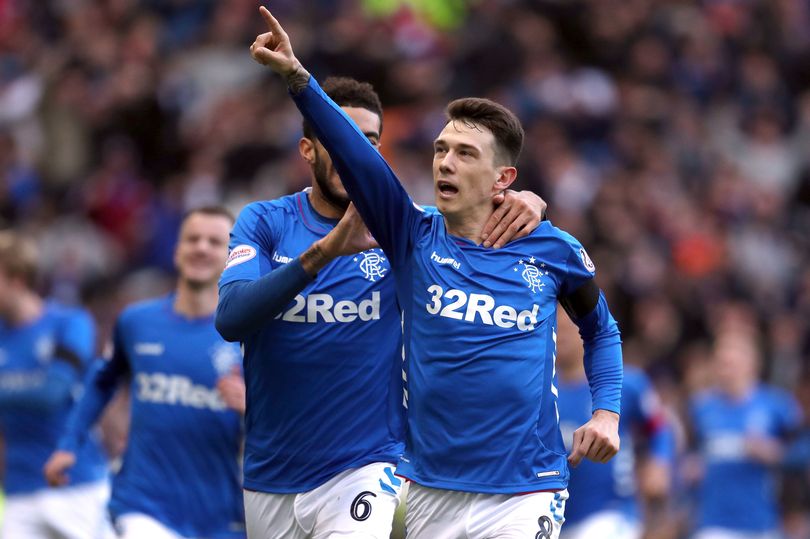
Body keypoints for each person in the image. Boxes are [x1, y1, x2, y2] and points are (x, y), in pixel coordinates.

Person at [248, 7, 623, 538]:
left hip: (526, 487)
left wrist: (606, 411)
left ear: (503, 178)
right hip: (428, 490)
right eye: (440, 150)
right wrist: (297, 79)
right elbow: (358, 157)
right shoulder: (410, 233)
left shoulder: (552, 248)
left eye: (465, 153)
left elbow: (600, 329)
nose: (445, 162)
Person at [215, 71, 546, 537]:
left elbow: (480, 213)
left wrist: (526, 200)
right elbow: (231, 318)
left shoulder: (408, 232)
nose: (357, 154)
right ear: (309, 149)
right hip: (272, 471)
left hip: (365, 465)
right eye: (341, 138)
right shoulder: (266, 222)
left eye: (369, 141)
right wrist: (326, 250)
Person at [44, 207, 246, 539]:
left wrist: (250, 406)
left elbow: (283, 419)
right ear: (176, 249)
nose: (202, 248)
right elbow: (101, 380)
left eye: (214, 242)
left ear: (232, 257)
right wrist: (69, 443)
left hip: (220, 514)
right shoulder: (137, 322)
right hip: (144, 504)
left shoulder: (248, 336)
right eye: (192, 239)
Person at [0, 231, 110, 539]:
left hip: (77, 484)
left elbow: (54, 391)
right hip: (20, 488)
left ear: (17, 279)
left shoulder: (70, 322)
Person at [555, 308, 674, 539]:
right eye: (556, 329)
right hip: (556, 516)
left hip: (611, 513)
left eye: (568, 329)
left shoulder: (626, 384)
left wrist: (660, 461)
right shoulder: (541, 391)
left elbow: (659, 426)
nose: (563, 336)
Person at [688, 329, 801, 539]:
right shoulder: (701, 407)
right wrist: (691, 467)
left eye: (732, 363)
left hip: (761, 522)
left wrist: (773, 453)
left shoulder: (777, 405)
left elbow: (801, 451)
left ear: (751, 363)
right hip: (714, 523)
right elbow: (687, 454)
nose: (726, 370)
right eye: (722, 363)